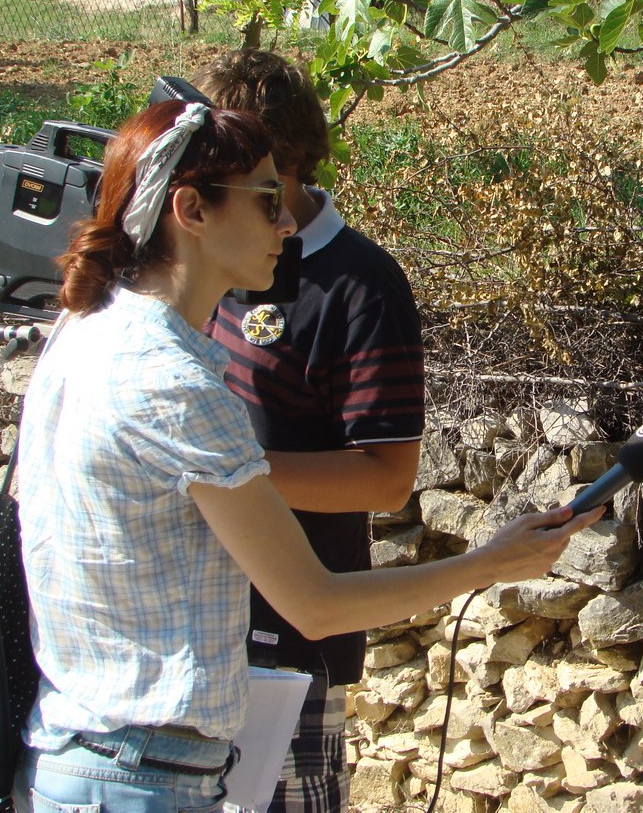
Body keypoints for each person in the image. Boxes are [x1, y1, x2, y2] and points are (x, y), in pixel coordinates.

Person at [13, 100, 601, 809]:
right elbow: (316, 605)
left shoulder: (82, 329)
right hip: (143, 777)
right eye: (267, 200)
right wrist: (489, 564)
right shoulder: (174, 382)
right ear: (191, 210)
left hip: (84, 757)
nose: (287, 223)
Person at [192, 48, 423, 812]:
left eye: (236, 166)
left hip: (287, 643)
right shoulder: (203, 253)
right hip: (190, 626)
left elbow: (388, 479)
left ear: (285, 163)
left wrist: (227, 475)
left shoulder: (361, 285)